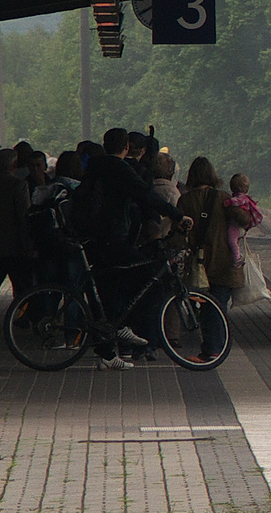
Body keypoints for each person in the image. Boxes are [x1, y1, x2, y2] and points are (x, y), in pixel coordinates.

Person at [78, 128, 191, 370]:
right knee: (146, 275)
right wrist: (176, 215)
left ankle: (108, 353)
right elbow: (146, 195)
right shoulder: (119, 168)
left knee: (110, 292)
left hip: (94, 238)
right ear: (126, 146)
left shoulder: (95, 166)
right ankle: (122, 327)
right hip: (112, 237)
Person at [0, 149, 34, 343]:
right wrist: (27, 244)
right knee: (23, 288)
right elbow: (23, 216)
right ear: (14, 165)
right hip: (14, 247)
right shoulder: (18, 185)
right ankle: (23, 319)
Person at [177, 158, 240, 307]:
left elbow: (178, 232)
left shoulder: (184, 201)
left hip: (196, 265)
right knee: (217, 310)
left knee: (198, 307)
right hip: (222, 265)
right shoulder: (224, 198)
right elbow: (241, 221)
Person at [224, 174, 264, 271]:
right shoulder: (243, 197)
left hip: (236, 225)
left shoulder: (241, 198)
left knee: (231, 240)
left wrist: (228, 202)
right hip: (238, 225)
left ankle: (237, 258)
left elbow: (236, 202)